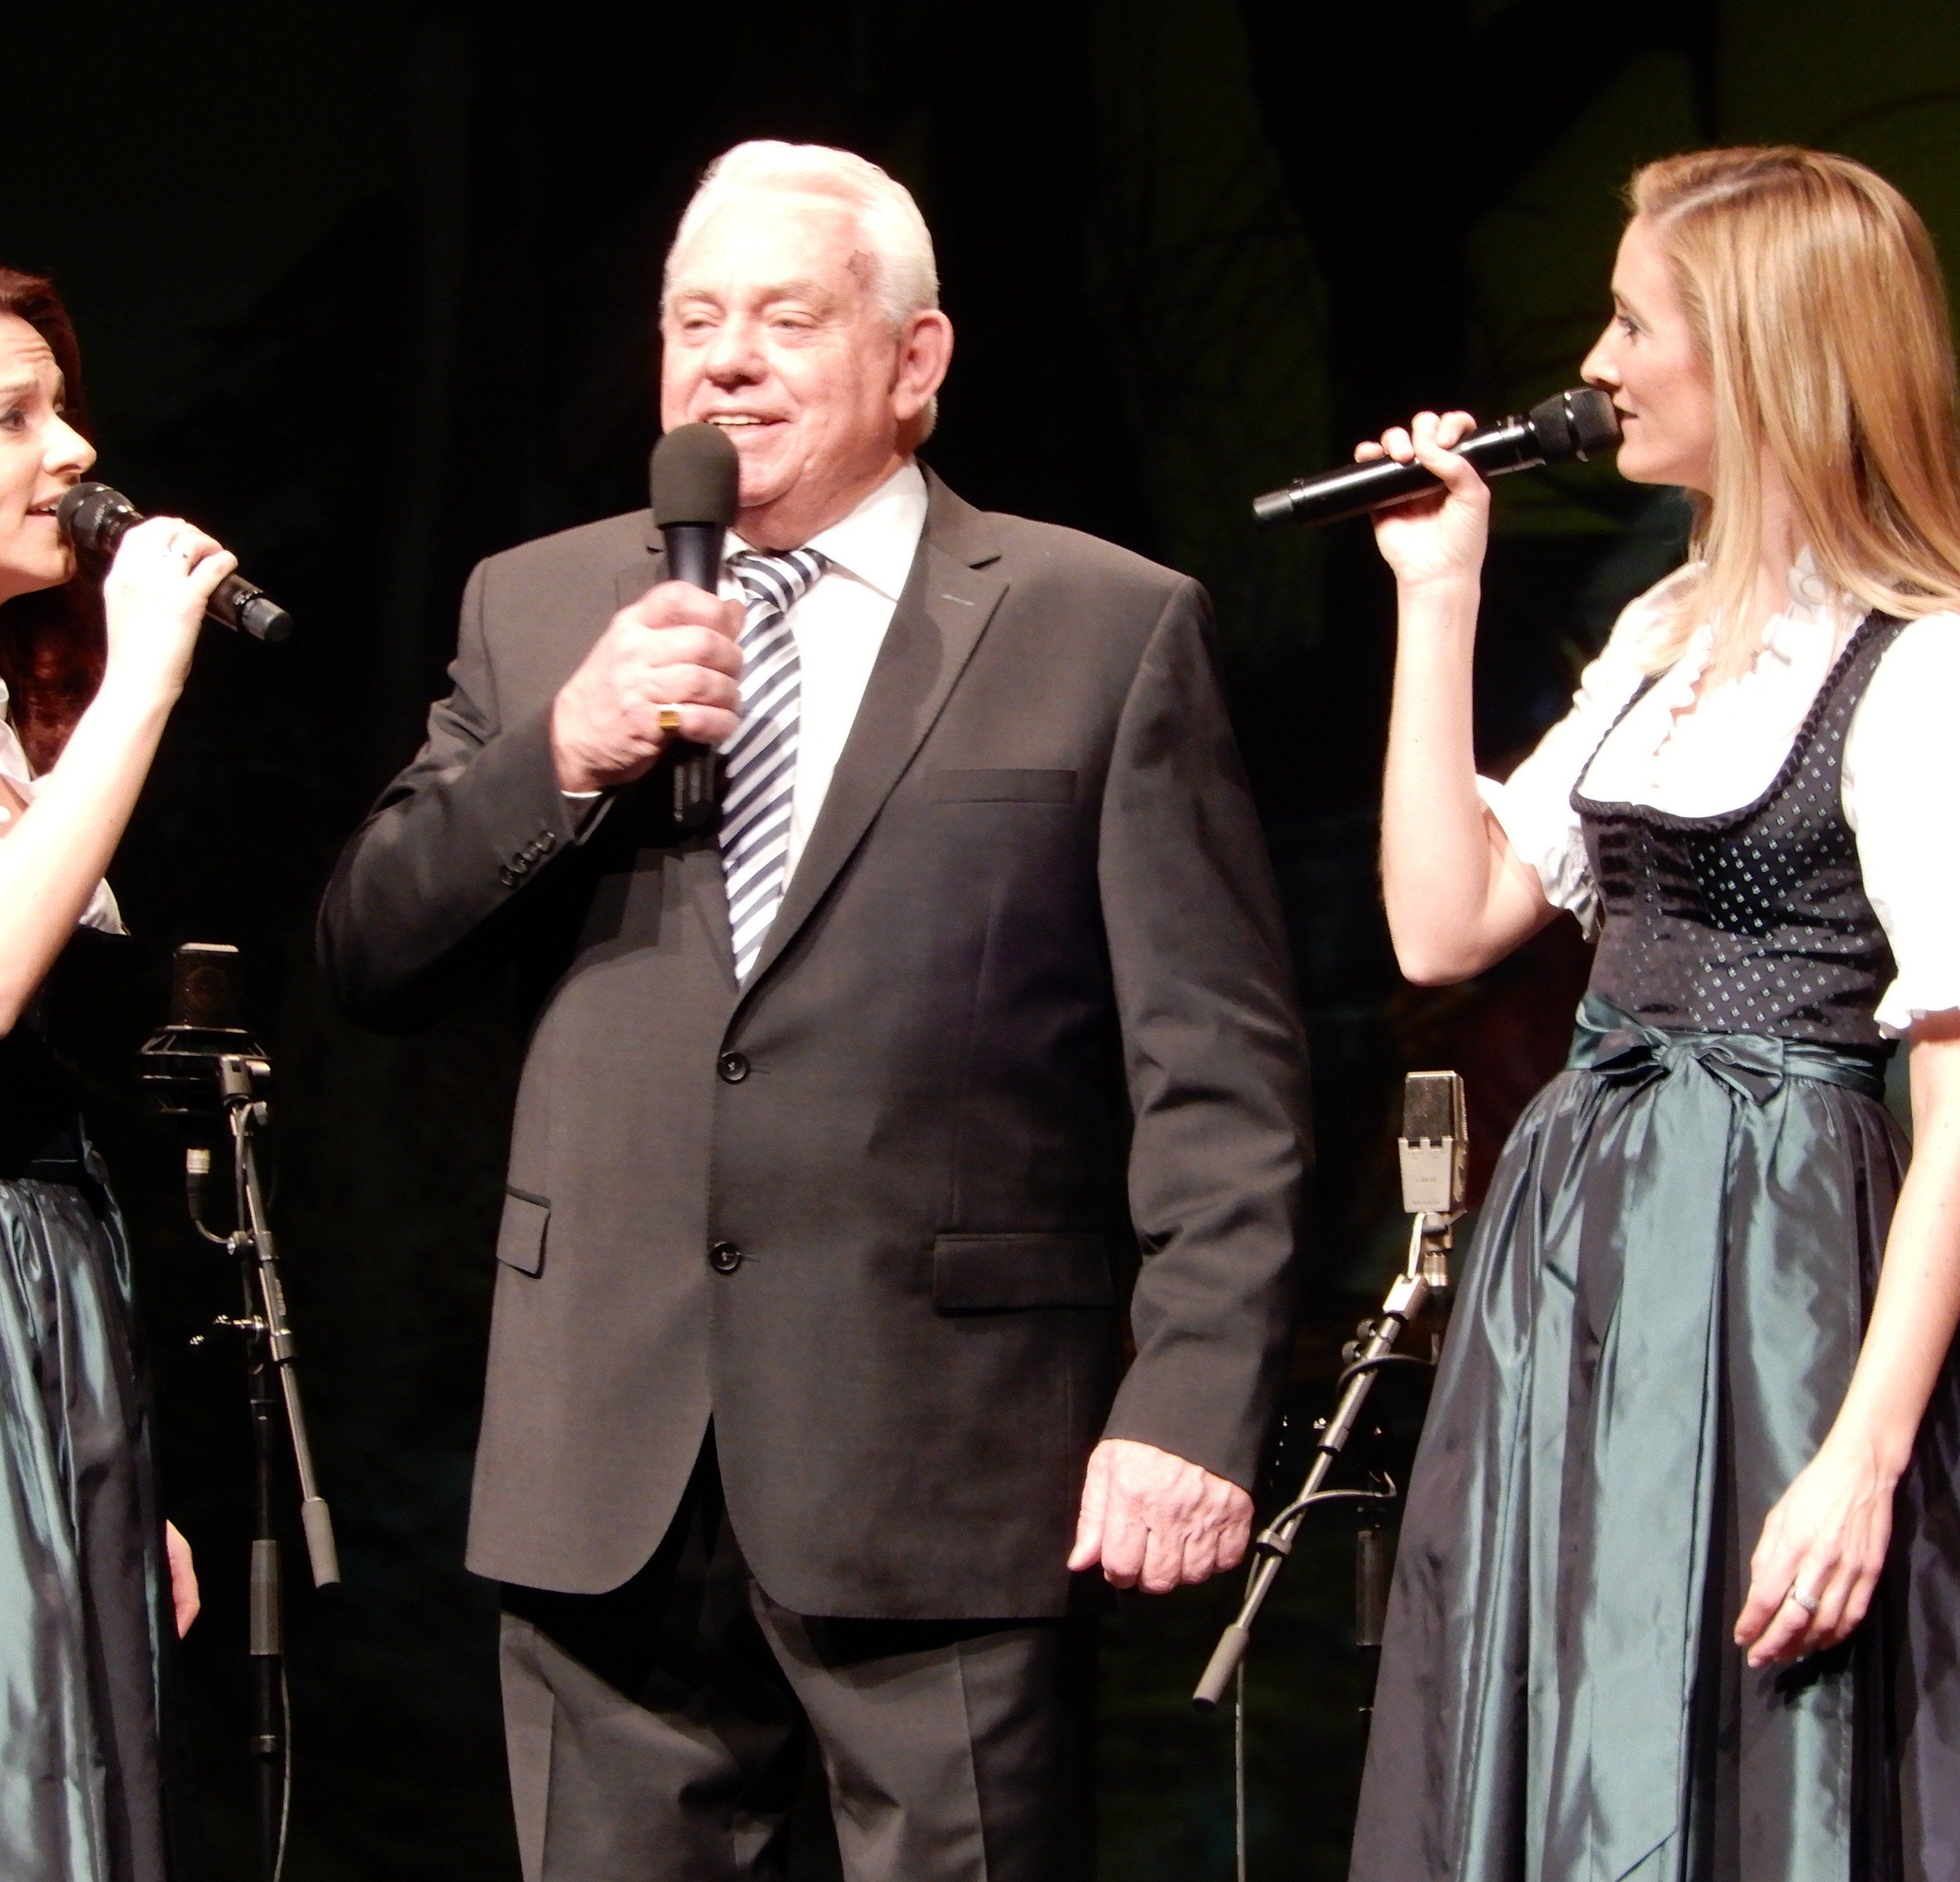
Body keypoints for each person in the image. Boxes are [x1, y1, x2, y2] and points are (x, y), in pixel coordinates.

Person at [318, 141, 1308, 1881]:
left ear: (916, 364)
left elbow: (1216, 1068)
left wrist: (1191, 1401)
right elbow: (373, 950)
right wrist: (565, 748)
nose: (726, 362)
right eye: (694, 320)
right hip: (601, 1470)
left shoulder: (1104, 627)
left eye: (786, 318)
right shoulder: (543, 605)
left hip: (946, 1469)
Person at [1350, 147, 1960, 1881]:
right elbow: (1440, 918)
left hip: (1773, 1271)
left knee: (1739, 1736)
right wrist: (1438, 602)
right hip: (1588, 1254)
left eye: (1635, 320)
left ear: (1762, 352)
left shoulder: (1923, 664)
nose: (1599, 364)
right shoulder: (1668, 628)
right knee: (1558, 1716)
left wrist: (1863, 1456)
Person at [0, 267, 222, 1880]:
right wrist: (145, 676)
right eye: (14, 417)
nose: (72, 446)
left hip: (42, 1316)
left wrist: (94, 1467)